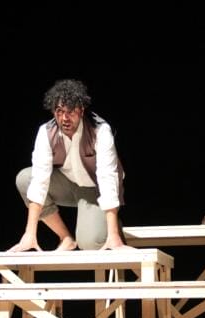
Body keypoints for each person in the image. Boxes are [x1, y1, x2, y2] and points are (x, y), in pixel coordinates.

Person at [8, 79, 132, 252]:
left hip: (95, 190)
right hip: (66, 185)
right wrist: (29, 234)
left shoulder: (100, 130)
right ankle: (65, 238)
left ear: (81, 110)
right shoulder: (46, 132)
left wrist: (113, 235)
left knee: (91, 244)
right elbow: (39, 181)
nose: (64, 118)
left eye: (71, 111)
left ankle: (110, 226)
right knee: (25, 179)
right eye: (59, 111)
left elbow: (108, 178)